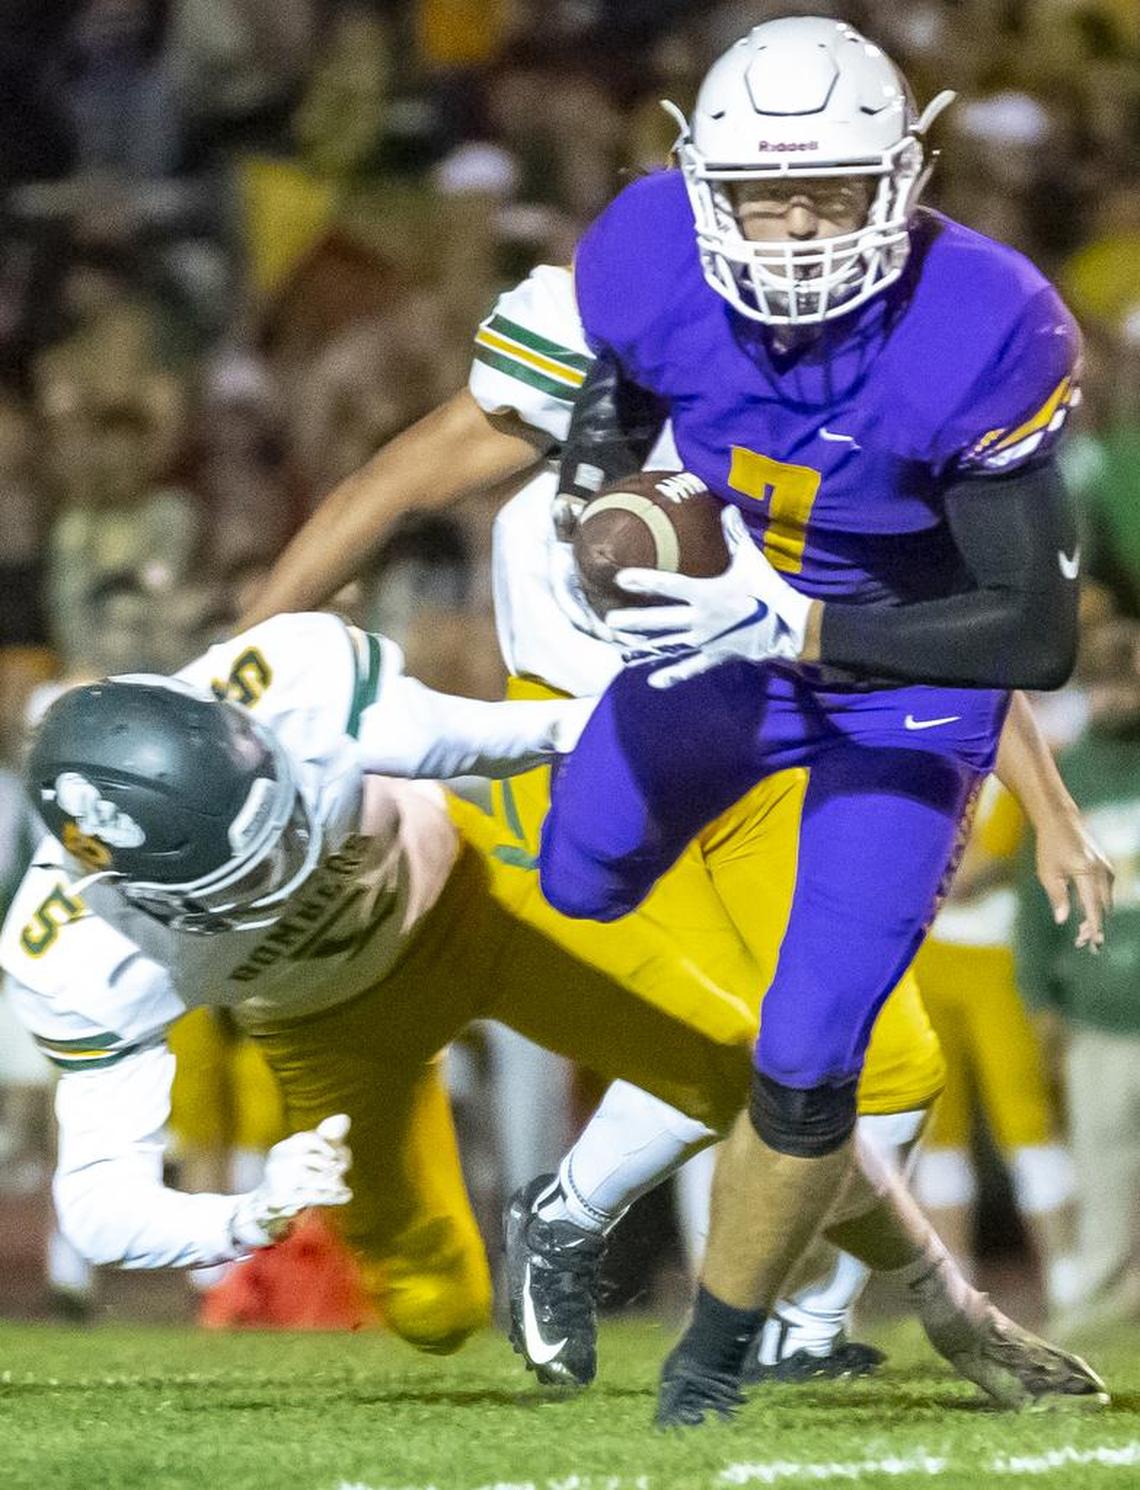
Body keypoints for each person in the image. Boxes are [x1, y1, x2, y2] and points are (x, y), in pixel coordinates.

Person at [2, 616, 1106, 1415]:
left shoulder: (290, 682)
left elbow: (506, 736)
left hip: (489, 897)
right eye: (252, 870)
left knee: (766, 1080)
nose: (294, 860)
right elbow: (98, 1207)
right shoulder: (83, 956)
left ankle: (954, 1304)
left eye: (283, 817)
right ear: (130, 891)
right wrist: (239, 1217)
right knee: (435, 1307)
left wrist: (692, 739)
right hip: (335, 1029)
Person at [525, 16, 1094, 1426]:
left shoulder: (983, 322)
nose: (793, 223)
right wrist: (597, 498)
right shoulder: (645, 251)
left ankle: (711, 1364)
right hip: (730, 652)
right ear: (698, 184)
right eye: (762, 190)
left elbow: (1036, 630)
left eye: (831, 189)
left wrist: (805, 624)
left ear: (903, 178)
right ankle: (599, 1187)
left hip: (902, 687)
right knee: (577, 873)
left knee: (810, 1042)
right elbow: (625, 389)